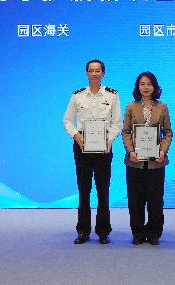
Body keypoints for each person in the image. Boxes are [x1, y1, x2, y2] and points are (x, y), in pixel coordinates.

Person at [62, 59, 122, 245]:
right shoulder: (77, 96)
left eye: (97, 70)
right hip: (82, 147)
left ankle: (103, 231)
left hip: (104, 148)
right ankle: (83, 231)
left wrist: (109, 139)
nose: (94, 73)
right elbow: (67, 120)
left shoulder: (112, 95)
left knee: (103, 190)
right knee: (84, 189)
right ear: (86, 73)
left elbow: (117, 123)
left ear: (103, 73)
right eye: (91, 70)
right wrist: (75, 135)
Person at [121, 71, 173, 245]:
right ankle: (138, 233)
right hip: (134, 162)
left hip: (156, 162)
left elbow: (168, 133)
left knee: (155, 199)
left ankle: (153, 233)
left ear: (154, 87)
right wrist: (130, 151)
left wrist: (163, 151)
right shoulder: (130, 106)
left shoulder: (162, 106)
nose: (146, 87)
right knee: (135, 199)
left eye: (149, 84)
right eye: (142, 84)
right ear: (138, 87)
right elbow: (125, 132)